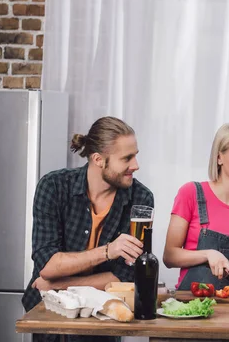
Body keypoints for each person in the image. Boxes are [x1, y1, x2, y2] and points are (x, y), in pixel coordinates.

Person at [23, 116, 154, 342]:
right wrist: (107, 251)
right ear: (98, 159)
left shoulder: (140, 199)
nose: (136, 165)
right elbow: (47, 266)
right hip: (51, 314)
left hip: (102, 321)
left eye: (135, 155)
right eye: (127, 158)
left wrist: (56, 284)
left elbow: (123, 277)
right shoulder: (54, 186)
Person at [163, 123, 229, 291]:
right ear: (219, 157)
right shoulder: (191, 193)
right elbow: (169, 256)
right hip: (191, 304)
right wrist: (208, 254)